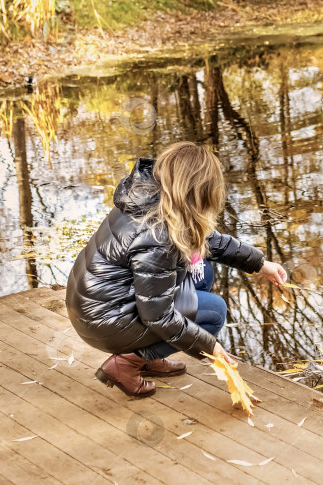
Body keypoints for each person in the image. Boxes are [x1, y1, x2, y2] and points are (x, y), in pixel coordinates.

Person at [65, 142, 287, 397]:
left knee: (201, 269)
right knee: (213, 313)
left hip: (99, 303)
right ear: (198, 191)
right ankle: (126, 363)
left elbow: (209, 241)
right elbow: (158, 316)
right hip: (102, 319)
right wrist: (210, 345)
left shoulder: (151, 196)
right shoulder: (157, 235)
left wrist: (260, 264)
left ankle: (147, 356)